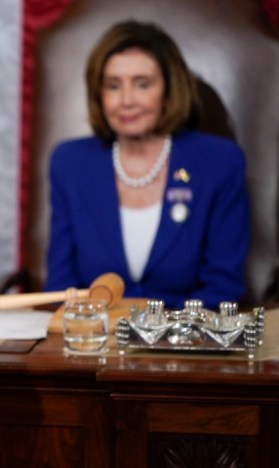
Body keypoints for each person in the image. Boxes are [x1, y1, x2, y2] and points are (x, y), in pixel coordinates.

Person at [43, 20, 249, 309]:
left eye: (142, 84)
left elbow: (222, 287)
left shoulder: (220, 162)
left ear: (168, 91)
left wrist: (157, 336)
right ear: (98, 95)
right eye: (113, 85)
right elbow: (60, 288)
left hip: (185, 343)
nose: (126, 100)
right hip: (95, 341)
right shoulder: (70, 163)